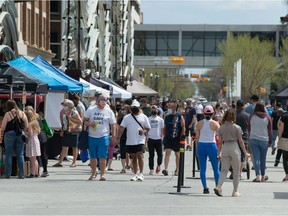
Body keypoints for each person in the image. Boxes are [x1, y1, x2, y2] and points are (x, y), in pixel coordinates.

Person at [214, 109, 250, 197]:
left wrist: (218, 153)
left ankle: (218, 187)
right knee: (236, 171)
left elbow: (219, 143)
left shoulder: (221, 127)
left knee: (224, 170)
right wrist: (245, 152)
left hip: (225, 147)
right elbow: (241, 141)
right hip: (234, 147)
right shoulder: (237, 127)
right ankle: (235, 191)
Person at [83, 94, 117, 181]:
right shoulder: (91, 109)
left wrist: (113, 136)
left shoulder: (109, 111)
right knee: (93, 156)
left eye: (105, 100)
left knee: (102, 156)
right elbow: (84, 121)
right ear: (98, 100)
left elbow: (113, 124)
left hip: (104, 136)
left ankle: (102, 174)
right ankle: (94, 173)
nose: (103, 102)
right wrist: (90, 124)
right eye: (102, 100)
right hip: (92, 136)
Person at [117, 99, 151, 181]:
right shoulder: (127, 118)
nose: (134, 109)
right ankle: (136, 173)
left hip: (140, 139)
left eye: (136, 107)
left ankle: (141, 173)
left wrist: (143, 131)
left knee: (140, 155)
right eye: (133, 107)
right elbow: (121, 128)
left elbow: (148, 128)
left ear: (139, 108)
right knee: (133, 157)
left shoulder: (144, 117)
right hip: (130, 140)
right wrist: (118, 138)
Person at [0, 99, 28, 179]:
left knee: (9, 154)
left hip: (9, 134)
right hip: (20, 134)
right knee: (20, 154)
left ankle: (8, 174)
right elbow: (26, 125)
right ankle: (21, 174)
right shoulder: (22, 113)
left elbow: (3, 127)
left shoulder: (7, 114)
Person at [195, 105, 220, 194]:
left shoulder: (199, 124)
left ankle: (205, 187)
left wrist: (197, 148)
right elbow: (219, 138)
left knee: (202, 169)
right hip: (212, 145)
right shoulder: (215, 124)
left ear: (203, 113)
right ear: (213, 113)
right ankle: (217, 186)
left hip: (201, 145)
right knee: (216, 168)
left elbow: (197, 137)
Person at [53, 99, 82, 168]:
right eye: (64, 105)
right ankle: (60, 162)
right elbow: (63, 122)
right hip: (67, 130)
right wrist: (62, 130)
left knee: (74, 147)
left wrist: (70, 118)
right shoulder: (62, 112)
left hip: (74, 130)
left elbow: (80, 121)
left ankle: (74, 162)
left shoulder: (74, 112)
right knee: (64, 146)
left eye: (65, 105)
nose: (64, 106)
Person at [249, 103, 272, 182]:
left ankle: (257, 176)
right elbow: (270, 130)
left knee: (256, 158)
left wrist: (250, 136)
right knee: (263, 158)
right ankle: (263, 175)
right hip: (264, 140)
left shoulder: (252, 116)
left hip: (253, 139)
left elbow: (249, 127)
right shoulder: (267, 117)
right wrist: (270, 141)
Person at [162, 100, 185, 176]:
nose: (170, 108)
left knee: (177, 154)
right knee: (167, 153)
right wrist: (164, 136)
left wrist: (182, 136)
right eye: (169, 107)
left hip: (176, 138)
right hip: (168, 138)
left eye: (171, 107)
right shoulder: (167, 117)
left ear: (175, 108)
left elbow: (183, 127)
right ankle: (165, 169)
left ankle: (177, 169)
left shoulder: (179, 116)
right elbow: (164, 127)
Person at [26, 105, 49, 177]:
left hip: (34, 139)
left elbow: (30, 133)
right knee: (38, 156)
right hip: (39, 137)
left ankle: (34, 172)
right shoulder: (37, 118)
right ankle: (38, 171)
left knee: (34, 157)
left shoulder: (31, 122)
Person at [147, 105, 164, 175]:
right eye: (152, 109)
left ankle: (159, 165)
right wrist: (146, 138)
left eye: (155, 109)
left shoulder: (160, 119)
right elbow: (147, 128)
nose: (154, 111)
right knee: (151, 155)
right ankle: (151, 168)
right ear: (151, 111)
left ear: (157, 111)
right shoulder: (148, 119)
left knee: (160, 154)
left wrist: (162, 137)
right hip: (150, 138)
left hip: (158, 139)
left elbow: (162, 129)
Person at [235, 99, 250, 179]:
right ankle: (239, 173)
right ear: (243, 106)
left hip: (234, 137)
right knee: (242, 156)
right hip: (244, 137)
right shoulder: (247, 116)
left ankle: (234, 171)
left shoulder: (234, 115)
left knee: (235, 155)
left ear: (237, 106)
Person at [24, 110, 41, 178]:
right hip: (36, 140)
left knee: (32, 159)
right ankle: (36, 172)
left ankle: (32, 173)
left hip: (31, 141)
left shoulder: (30, 124)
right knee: (35, 158)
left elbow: (30, 134)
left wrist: (25, 132)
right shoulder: (35, 122)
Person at [117, 104, 131, 173]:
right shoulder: (120, 119)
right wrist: (117, 137)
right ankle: (123, 167)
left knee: (131, 152)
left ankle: (132, 165)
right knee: (123, 152)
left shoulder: (131, 118)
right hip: (122, 137)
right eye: (122, 109)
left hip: (130, 137)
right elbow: (118, 129)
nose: (123, 111)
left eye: (124, 109)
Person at [277, 110, 288, 181]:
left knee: (285, 157)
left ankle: (287, 175)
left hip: (285, 139)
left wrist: (279, 138)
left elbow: (281, 128)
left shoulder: (284, 117)